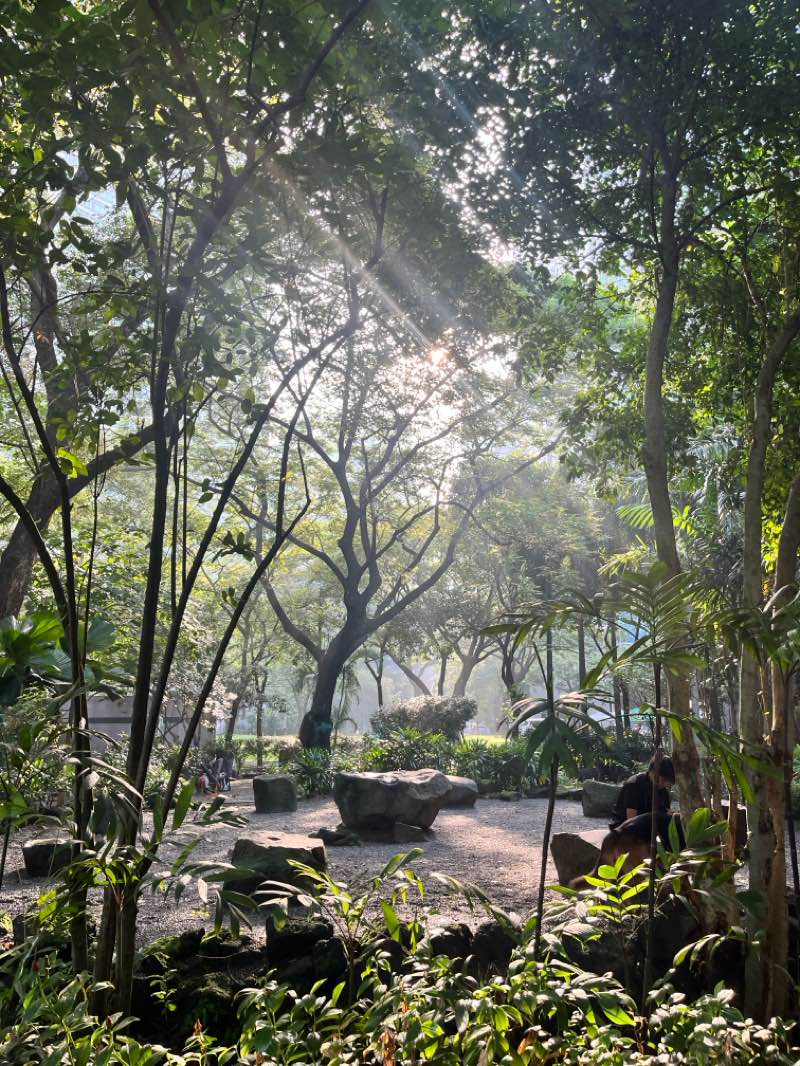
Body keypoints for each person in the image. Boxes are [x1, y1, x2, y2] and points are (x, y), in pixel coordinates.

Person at [610, 755, 684, 849]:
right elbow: (631, 820)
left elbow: (665, 813)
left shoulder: (662, 791)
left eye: (666, 781)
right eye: (662, 779)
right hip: (626, 828)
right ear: (652, 771)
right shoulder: (634, 784)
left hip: (648, 826)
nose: (663, 783)